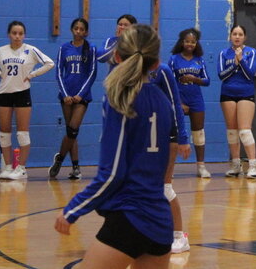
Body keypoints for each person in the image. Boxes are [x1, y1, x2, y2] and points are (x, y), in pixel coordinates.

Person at [55, 24, 174, 269]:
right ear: (156, 63)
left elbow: (112, 174)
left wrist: (74, 209)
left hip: (131, 216)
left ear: (117, 56)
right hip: (161, 220)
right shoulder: (163, 101)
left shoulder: (120, 98)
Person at [0, 20, 54, 180]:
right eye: (14, 33)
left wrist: (32, 74)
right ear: (9, 34)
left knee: (22, 133)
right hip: (4, 93)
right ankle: (8, 167)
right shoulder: (1, 51)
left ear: (24, 35)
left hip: (22, 93)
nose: (17, 36)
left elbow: (49, 63)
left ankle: (21, 168)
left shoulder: (30, 50)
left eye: (20, 33)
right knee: (4, 133)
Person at [150, 58, 192, 254]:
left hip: (168, 134)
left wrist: (182, 137)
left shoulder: (162, 71)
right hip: (148, 137)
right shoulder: (132, 70)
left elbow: (175, 103)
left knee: (165, 187)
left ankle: (179, 236)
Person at [49, 17, 98, 180]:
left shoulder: (90, 49)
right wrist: (65, 95)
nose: (78, 31)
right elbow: (58, 73)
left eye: (81, 29)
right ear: (72, 30)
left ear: (86, 32)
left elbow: (92, 74)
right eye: (76, 28)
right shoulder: (64, 48)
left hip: (81, 96)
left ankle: (59, 160)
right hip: (67, 95)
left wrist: (80, 94)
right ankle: (76, 167)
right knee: (71, 132)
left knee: (73, 129)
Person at [168, 27, 212, 179]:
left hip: (196, 99)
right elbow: (171, 82)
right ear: (181, 42)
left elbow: (207, 81)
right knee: (174, 133)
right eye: (187, 41)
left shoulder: (199, 60)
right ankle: (170, 168)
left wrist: (194, 79)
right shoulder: (174, 59)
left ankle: (201, 167)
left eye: (193, 42)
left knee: (198, 133)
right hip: (179, 98)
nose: (189, 44)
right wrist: (178, 102)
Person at [217, 24, 256, 178]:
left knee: (244, 130)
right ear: (230, 36)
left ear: (244, 37)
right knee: (232, 131)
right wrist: (234, 64)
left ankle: (253, 165)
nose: (237, 37)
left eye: (240, 34)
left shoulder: (251, 52)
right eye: (234, 34)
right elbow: (221, 75)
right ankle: (236, 165)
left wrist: (241, 60)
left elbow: (250, 74)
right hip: (227, 93)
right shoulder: (223, 53)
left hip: (245, 93)